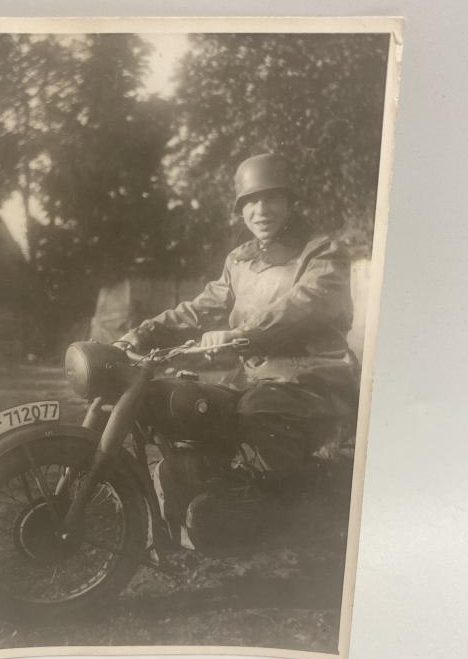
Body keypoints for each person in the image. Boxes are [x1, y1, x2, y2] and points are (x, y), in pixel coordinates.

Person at [117, 153, 359, 479]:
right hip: (253, 381)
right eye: (250, 201)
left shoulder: (323, 252)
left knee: (259, 415)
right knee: (187, 409)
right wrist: (145, 332)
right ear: (240, 209)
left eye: (271, 197)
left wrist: (238, 334)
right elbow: (204, 305)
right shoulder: (240, 260)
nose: (261, 211)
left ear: (289, 201)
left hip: (314, 384)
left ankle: (282, 517)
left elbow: (302, 305)